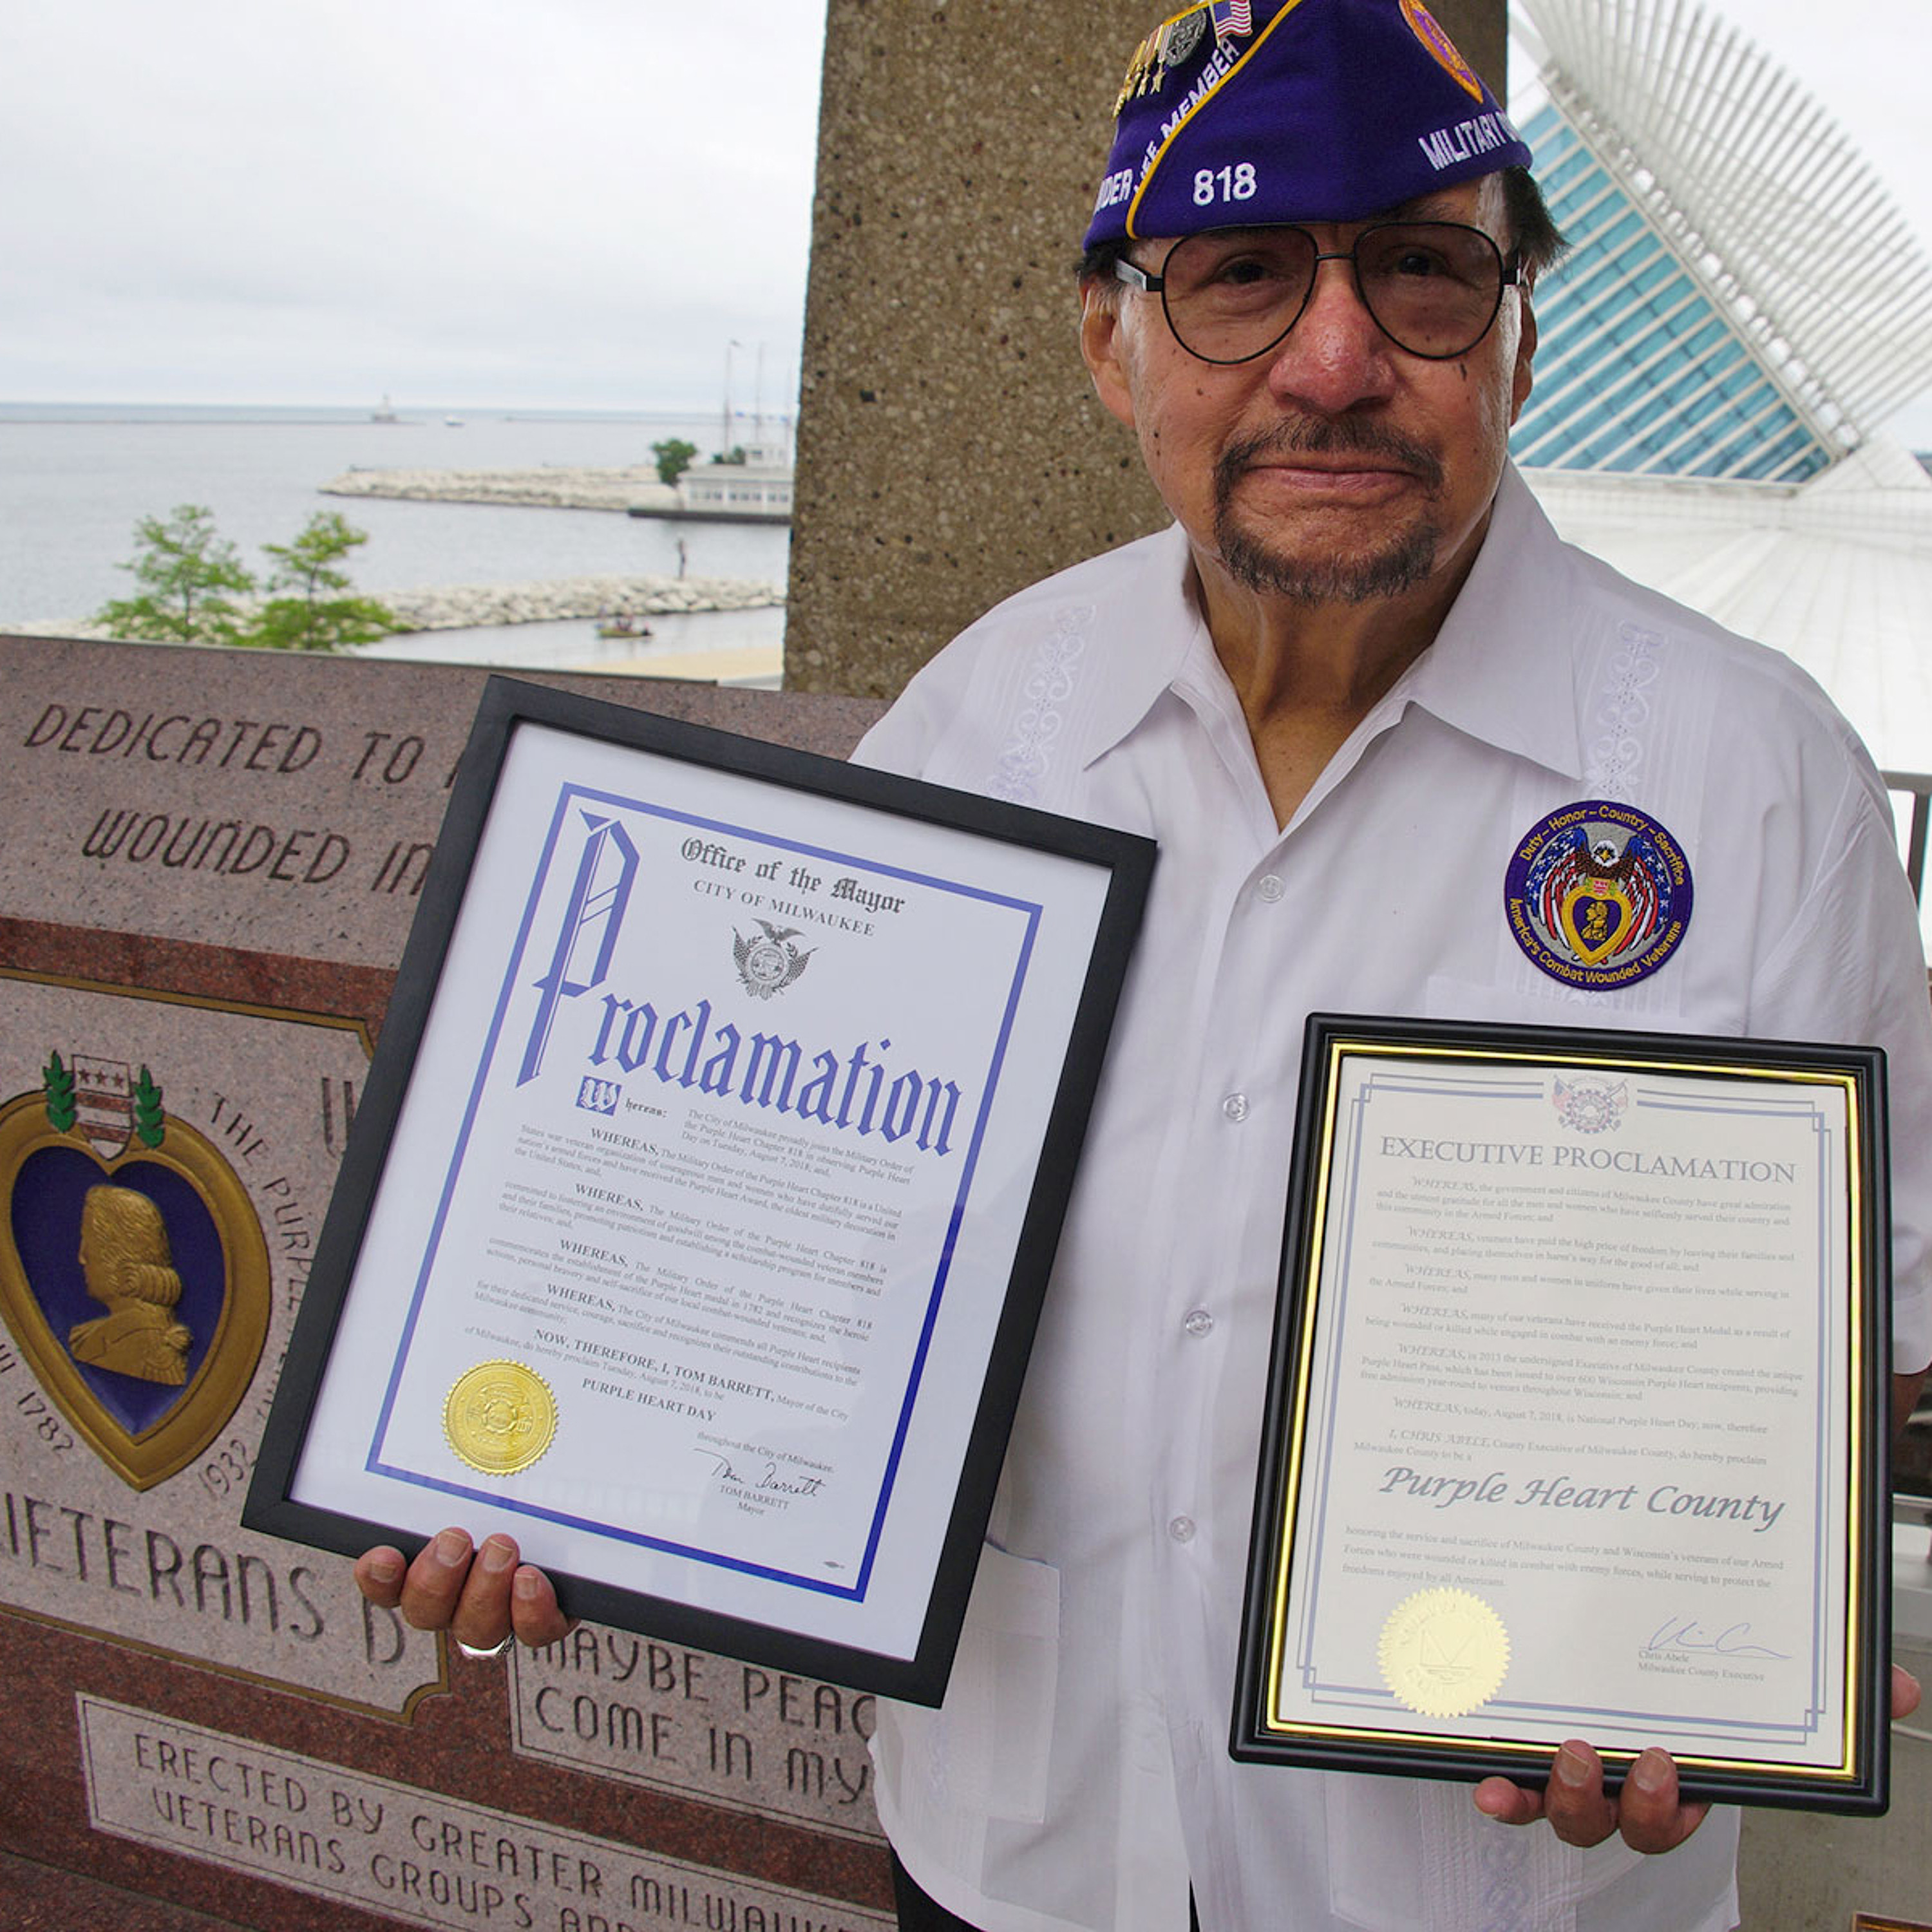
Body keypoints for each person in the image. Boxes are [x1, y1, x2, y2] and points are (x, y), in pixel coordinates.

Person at [358, 3, 1932, 1927]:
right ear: (1113, 347)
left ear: (1519, 339)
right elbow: (788, 1214)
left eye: (1425, 273)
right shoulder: (982, 726)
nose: (1336, 362)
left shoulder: (1751, 782)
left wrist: (1722, 1649)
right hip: (1033, 1850)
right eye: (1242, 275)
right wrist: (559, 1458)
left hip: (1490, 1890)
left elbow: (1861, 1333)